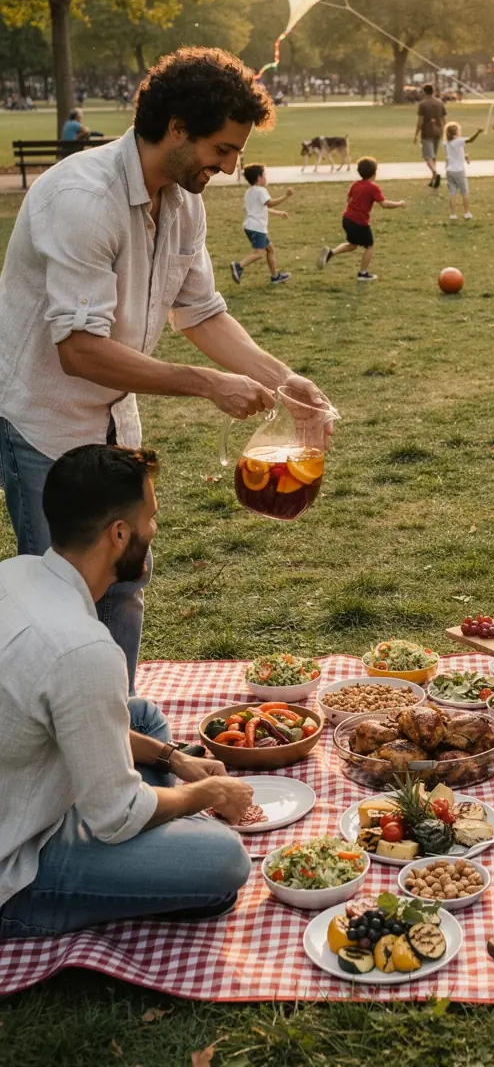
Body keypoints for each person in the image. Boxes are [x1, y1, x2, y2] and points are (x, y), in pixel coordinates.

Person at [0, 47, 332, 695]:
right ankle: (60, 773)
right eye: (223, 148)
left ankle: (117, 744)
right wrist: (207, 384)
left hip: (115, 422)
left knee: (124, 585)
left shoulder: (183, 200)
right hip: (43, 424)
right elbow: (80, 350)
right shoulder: (81, 198)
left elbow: (201, 312)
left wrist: (285, 381)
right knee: (63, 608)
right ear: (177, 127)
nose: (231, 167)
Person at [0, 444, 253, 938]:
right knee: (223, 861)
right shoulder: (83, 650)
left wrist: (173, 757)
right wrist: (208, 792)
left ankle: (152, 844)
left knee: (144, 718)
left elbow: (57, 716)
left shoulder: (16, 573)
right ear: (119, 534)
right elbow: (114, 817)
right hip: (19, 857)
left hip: (24, 782)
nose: (155, 531)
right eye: (150, 518)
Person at [317, 156, 406, 282]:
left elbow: (348, 200)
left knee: (353, 245)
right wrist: (400, 204)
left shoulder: (355, 184)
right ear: (374, 173)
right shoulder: (373, 187)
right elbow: (384, 204)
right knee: (369, 246)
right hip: (359, 222)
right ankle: (363, 274)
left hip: (347, 219)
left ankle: (331, 253)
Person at [230, 164, 293, 286]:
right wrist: (286, 196)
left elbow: (261, 208)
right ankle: (238, 266)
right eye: (264, 175)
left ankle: (275, 276)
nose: (266, 177)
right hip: (257, 228)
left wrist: (278, 213)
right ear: (259, 178)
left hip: (251, 226)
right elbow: (270, 203)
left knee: (270, 250)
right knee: (258, 253)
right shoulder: (261, 190)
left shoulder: (249, 192)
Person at [444, 122, 483, 220]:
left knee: (453, 193)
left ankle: (452, 214)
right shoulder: (458, 141)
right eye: (458, 131)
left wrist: (465, 156)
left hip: (449, 171)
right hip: (459, 171)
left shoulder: (447, 143)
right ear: (455, 133)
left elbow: (455, 153)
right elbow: (470, 140)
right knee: (464, 192)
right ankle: (466, 213)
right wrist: (478, 132)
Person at [413, 83, 446, 188]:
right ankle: (433, 179)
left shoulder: (423, 104)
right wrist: (445, 131)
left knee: (427, 156)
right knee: (433, 156)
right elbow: (443, 119)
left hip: (427, 132)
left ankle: (435, 173)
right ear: (433, 91)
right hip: (438, 131)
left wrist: (416, 134)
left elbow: (420, 121)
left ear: (424, 92)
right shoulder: (440, 103)